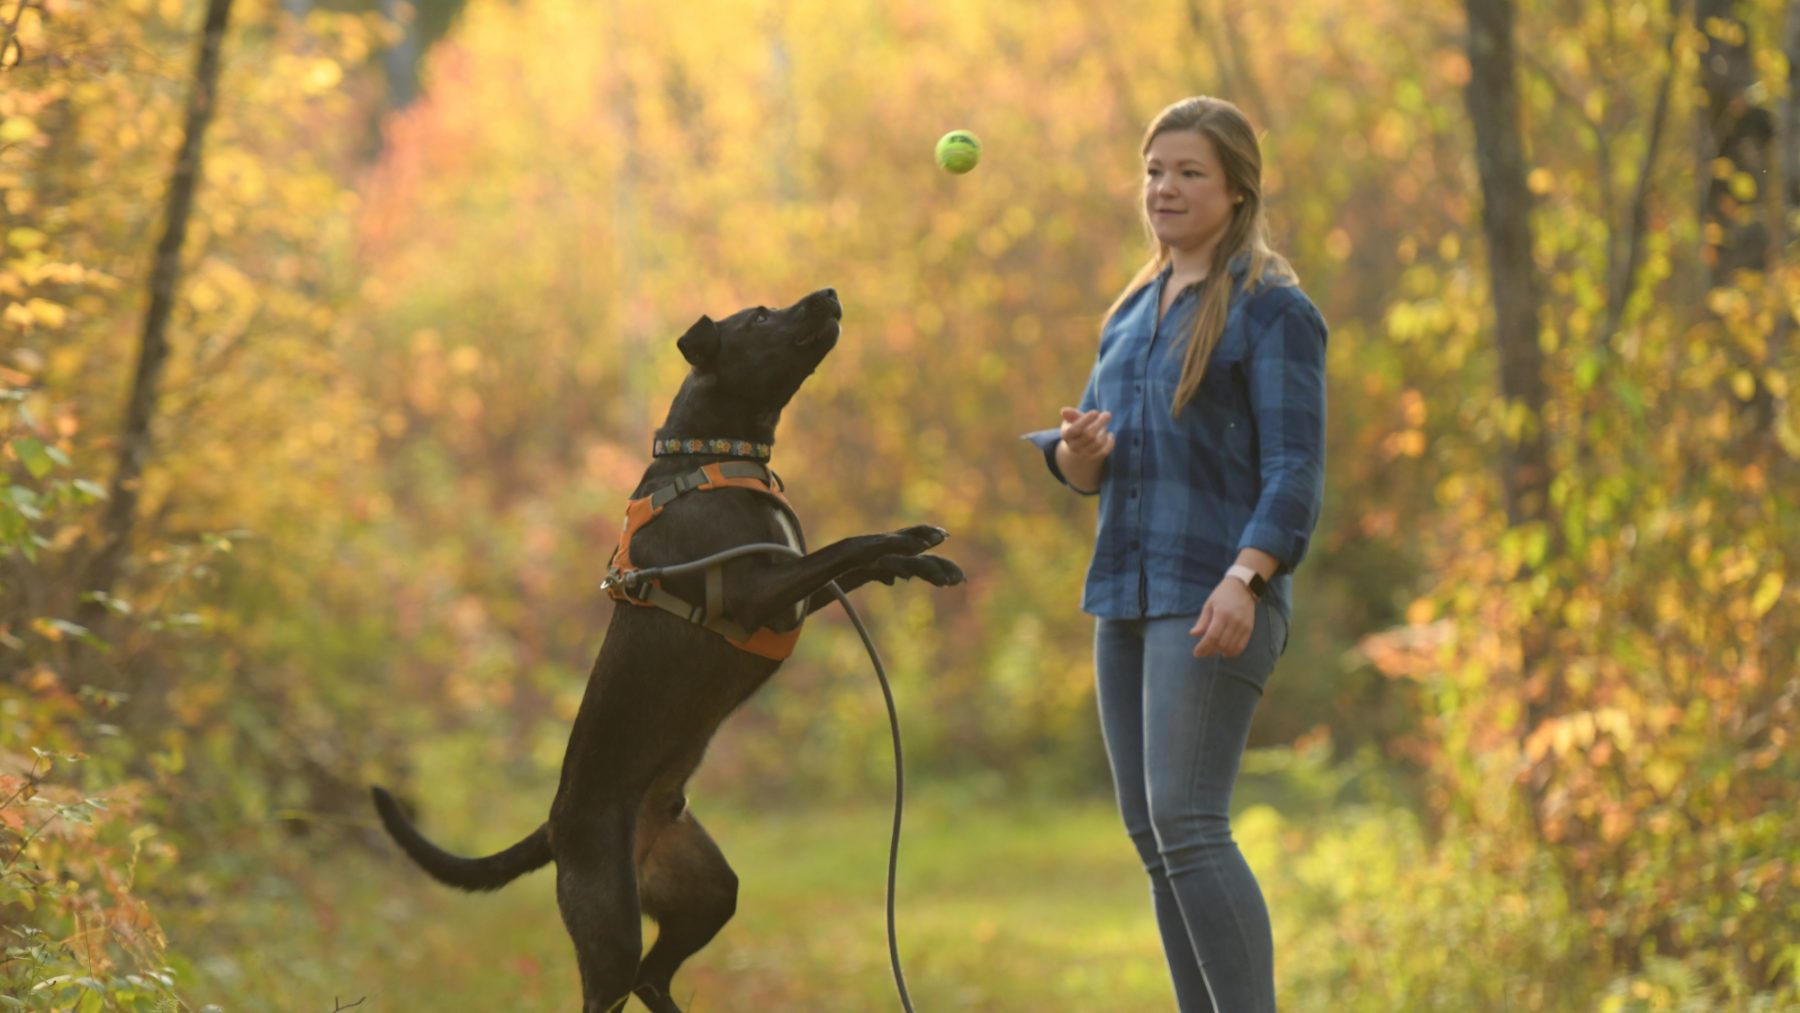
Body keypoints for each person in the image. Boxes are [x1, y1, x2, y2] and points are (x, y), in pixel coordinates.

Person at [1024, 96, 1327, 1012]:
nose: (1165, 187)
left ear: (1237, 188)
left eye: (1189, 171)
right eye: (1155, 170)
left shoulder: (1274, 311)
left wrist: (1248, 576)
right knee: (1155, 836)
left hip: (1213, 594)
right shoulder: (1131, 308)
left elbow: (1296, 469)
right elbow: (1087, 451)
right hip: (1123, 591)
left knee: (1191, 825)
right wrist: (1076, 453)